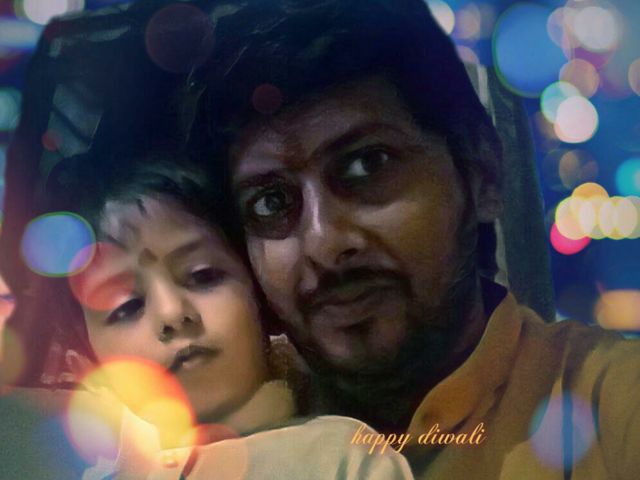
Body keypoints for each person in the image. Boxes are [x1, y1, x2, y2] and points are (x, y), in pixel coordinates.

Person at [182, 0, 640, 477]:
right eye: (270, 203)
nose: (323, 243)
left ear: (481, 173)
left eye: (367, 165)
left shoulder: (614, 409)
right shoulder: (218, 440)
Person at [7, 152, 413, 480]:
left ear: (260, 300)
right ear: (86, 366)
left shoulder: (340, 456)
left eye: (203, 276)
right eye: (127, 306)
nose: (172, 314)